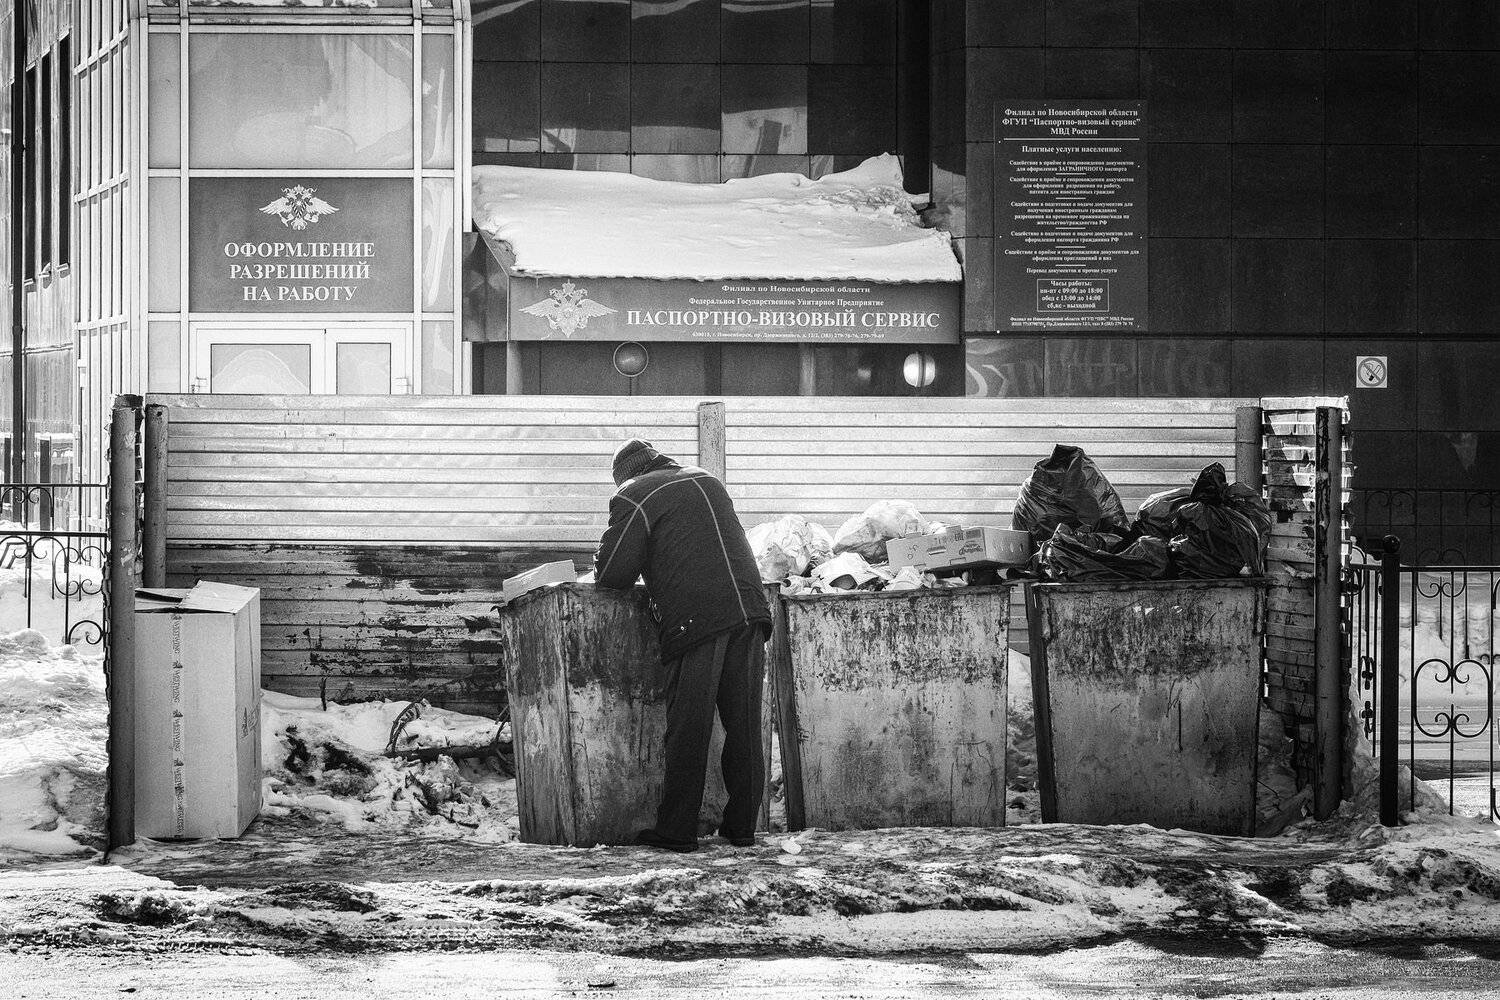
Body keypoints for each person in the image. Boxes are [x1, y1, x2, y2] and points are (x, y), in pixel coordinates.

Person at [594, 438, 771, 852]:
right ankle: (742, 828)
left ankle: (677, 831)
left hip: (698, 619)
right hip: (750, 609)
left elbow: (613, 573)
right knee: (744, 727)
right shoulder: (706, 480)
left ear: (626, 475)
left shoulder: (634, 495)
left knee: (689, 728)